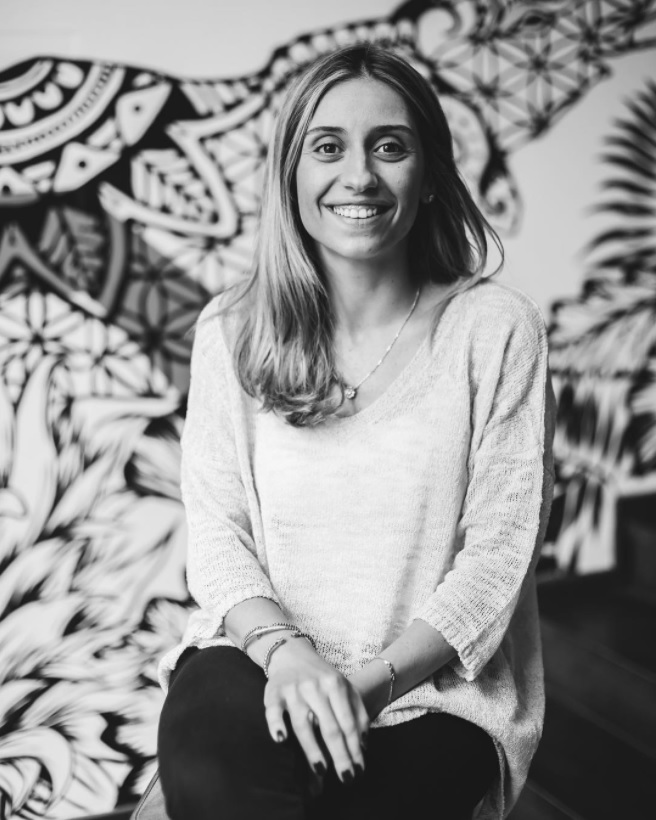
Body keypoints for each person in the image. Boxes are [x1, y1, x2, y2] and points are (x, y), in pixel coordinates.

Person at [155, 43, 556, 820]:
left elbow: (498, 557)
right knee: (214, 779)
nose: (360, 175)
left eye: (390, 147)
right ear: (291, 174)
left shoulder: (496, 330)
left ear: (430, 174)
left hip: (432, 690)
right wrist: (289, 656)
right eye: (328, 147)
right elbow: (217, 532)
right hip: (255, 657)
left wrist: (367, 686)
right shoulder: (231, 329)